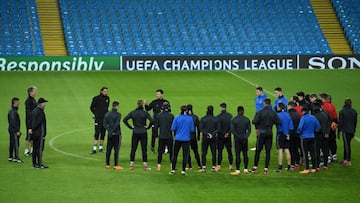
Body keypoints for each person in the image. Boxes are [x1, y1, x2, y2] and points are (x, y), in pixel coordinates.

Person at [251, 98, 281, 175]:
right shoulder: (273, 113)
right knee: (268, 151)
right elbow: (278, 122)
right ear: (270, 103)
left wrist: (259, 124)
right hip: (269, 132)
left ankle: (255, 167)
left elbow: (254, 121)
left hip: (262, 132)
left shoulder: (260, 112)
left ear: (264, 103)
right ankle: (266, 169)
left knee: (258, 150)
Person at [123, 100, 153, 170]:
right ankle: (145, 165)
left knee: (133, 148)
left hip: (135, 132)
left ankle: (131, 165)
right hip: (143, 132)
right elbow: (152, 121)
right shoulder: (145, 113)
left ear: (137, 104)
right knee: (144, 149)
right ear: (142, 105)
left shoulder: (133, 112)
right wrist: (148, 127)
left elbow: (125, 120)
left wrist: (130, 127)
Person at [169, 105, 194, 176]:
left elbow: (173, 128)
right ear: (186, 111)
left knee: (175, 154)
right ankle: (183, 170)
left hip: (178, 138)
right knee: (185, 155)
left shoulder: (177, 118)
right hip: (186, 139)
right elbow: (192, 129)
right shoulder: (190, 119)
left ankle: (173, 169)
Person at [144, 89, 171, 153]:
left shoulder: (166, 102)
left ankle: (166, 146)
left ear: (162, 94)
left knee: (164, 133)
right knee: (154, 133)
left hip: (163, 120)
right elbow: (148, 109)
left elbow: (169, 111)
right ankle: (152, 147)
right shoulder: (154, 102)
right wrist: (146, 104)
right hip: (155, 120)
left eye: (158, 94)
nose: (157, 95)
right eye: (156, 94)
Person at [297, 107, 321, 174]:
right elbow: (318, 127)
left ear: (303, 112)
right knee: (313, 153)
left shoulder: (303, 118)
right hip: (312, 137)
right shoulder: (313, 117)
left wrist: (299, 133)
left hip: (304, 138)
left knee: (305, 153)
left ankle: (306, 169)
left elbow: (299, 128)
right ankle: (314, 168)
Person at [230, 106, 251, 175]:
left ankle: (238, 170)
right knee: (245, 154)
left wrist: (237, 136)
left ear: (237, 111)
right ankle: (246, 169)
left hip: (237, 139)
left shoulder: (234, 119)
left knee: (238, 154)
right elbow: (249, 130)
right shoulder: (247, 119)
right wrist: (245, 137)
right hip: (244, 139)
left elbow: (232, 130)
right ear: (243, 111)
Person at [199, 105, 220, 172]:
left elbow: (201, 128)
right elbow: (218, 129)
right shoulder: (216, 119)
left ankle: (204, 167)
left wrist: (207, 134)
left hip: (205, 137)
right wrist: (212, 134)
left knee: (204, 152)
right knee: (213, 152)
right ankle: (213, 166)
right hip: (213, 138)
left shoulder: (203, 118)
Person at [103, 101, 123, 170]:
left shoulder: (107, 114)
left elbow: (104, 124)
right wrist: (112, 131)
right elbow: (117, 124)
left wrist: (109, 131)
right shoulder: (118, 114)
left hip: (110, 135)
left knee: (108, 149)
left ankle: (107, 164)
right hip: (117, 134)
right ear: (117, 106)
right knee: (116, 150)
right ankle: (116, 165)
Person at [90, 87, 110, 154]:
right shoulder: (96, 98)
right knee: (97, 133)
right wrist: (96, 114)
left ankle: (101, 148)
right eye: (104, 91)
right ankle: (94, 148)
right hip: (98, 119)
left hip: (105, 119)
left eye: (106, 91)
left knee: (103, 133)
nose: (106, 92)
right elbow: (91, 107)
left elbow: (106, 108)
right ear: (101, 91)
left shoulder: (107, 98)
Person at [338, 98, 357, 166]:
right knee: (347, 145)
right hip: (351, 130)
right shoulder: (354, 111)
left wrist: (338, 131)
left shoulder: (342, 111)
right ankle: (345, 159)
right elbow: (355, 122)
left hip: (345, 131)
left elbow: (340, 122)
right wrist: (354, 131)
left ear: (344, 103)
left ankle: (348, 161)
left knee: (347, 145)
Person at [155, 102, 174, 171]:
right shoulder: (171, 115)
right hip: (169, 136)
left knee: (160, 151)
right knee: (171, 152)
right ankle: (172, 166)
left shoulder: (159, 115)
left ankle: (159, 166)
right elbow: (174, 127)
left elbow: (156, 127)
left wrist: (156, 136)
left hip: (162, 136)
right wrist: (174, 135)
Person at [275, 103, 293, 172]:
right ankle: (289, 166)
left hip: (280, 135)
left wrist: (284, 134)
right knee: (287, 150)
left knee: (280, 150)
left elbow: (279, 127)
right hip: (287, 135)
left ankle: (280, 167)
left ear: (279, 108)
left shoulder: (278, 115)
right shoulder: (288, 115)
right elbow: (291, 127)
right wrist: (288, 135)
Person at [312, 101, 331, 170]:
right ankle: (325, 165)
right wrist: (327, 132)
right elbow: (329, 122)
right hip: (325, 135)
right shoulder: (325, 113)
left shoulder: (315, 116)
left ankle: (317, 166)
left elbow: (315, 126)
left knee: (317, 150)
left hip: (318, 135)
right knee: (325, 150)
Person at [320, 93, 338, 162]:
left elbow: (324, 118)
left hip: (327, 126)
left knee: (326, 142)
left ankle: (327, 157)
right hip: (333, 126)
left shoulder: (323, 106)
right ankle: (334, 155)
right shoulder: (332, 105)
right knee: (333, 141)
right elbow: (335, 116)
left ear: (323, 98)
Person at [215, 103, 233, 172]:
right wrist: (228, 133)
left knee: (220, 151)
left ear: (220, 107)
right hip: (228, 136)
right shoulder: (230, 116)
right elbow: (232, 127)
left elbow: (218, 128)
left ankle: (219, 166)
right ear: (226, 107)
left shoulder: (218, 117)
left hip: (220, 136)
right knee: (229, 151)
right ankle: (231, 165)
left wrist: (222, 134)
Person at [31, 98, 48, 169]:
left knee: (34, 148)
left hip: (34, 133)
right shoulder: (40, 111)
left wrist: (32, 129)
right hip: (39, 133)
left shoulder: (34, 110)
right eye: (44, 103)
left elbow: (31, 121)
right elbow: (40, 123)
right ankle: (40, 164)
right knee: (40, 149)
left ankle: (34, 164)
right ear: (41, 103)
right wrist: (43, 134)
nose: (45, 104)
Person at [186, 104, 201, 170]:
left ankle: (189, 166)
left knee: (187, 151)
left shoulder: (185, 117)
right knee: (195, 151)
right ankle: (199, 164)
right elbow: (198, 128)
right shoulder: (195, 117)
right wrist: (198, 136)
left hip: (186, 136)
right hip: (193, 136)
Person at [8, 97, 23, 163]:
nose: (19, 103)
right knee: (16, 143)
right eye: (18, 102)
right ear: (15, 102)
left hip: (11, 129)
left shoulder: (12, 110)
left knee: (12, 143)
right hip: (14, 130)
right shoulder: (13, 111)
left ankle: (10, 156)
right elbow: (13, 122)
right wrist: (17, 131)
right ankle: (16, 157)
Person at [287, 101, 302, 170]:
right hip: (298, 134)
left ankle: (292, 164)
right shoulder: (298, 114)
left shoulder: (288, 115)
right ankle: (297, 163)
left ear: (289, 106)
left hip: (291, 134)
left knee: (291, 149)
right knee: (296, 149)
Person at [24, 86, 37, 156]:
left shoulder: (33, 100)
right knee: (28, 136)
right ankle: (26, 151)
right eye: (34, 91)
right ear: (30, 92)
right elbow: (28, 114)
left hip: (33, 121)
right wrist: (29, 126)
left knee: (33, 136)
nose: (36, 93)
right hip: (30, 121)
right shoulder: (28, 101)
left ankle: (32, 149)